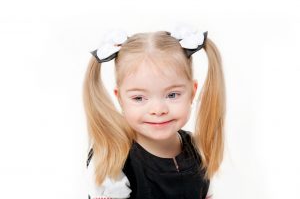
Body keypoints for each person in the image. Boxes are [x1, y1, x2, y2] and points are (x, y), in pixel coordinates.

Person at [83, 24, 226, 199]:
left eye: (172, 95)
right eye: (139, 98)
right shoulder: (112, 161)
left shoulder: (198, 150)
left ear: (192, 92)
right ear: (120, 98)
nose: (158, 110)